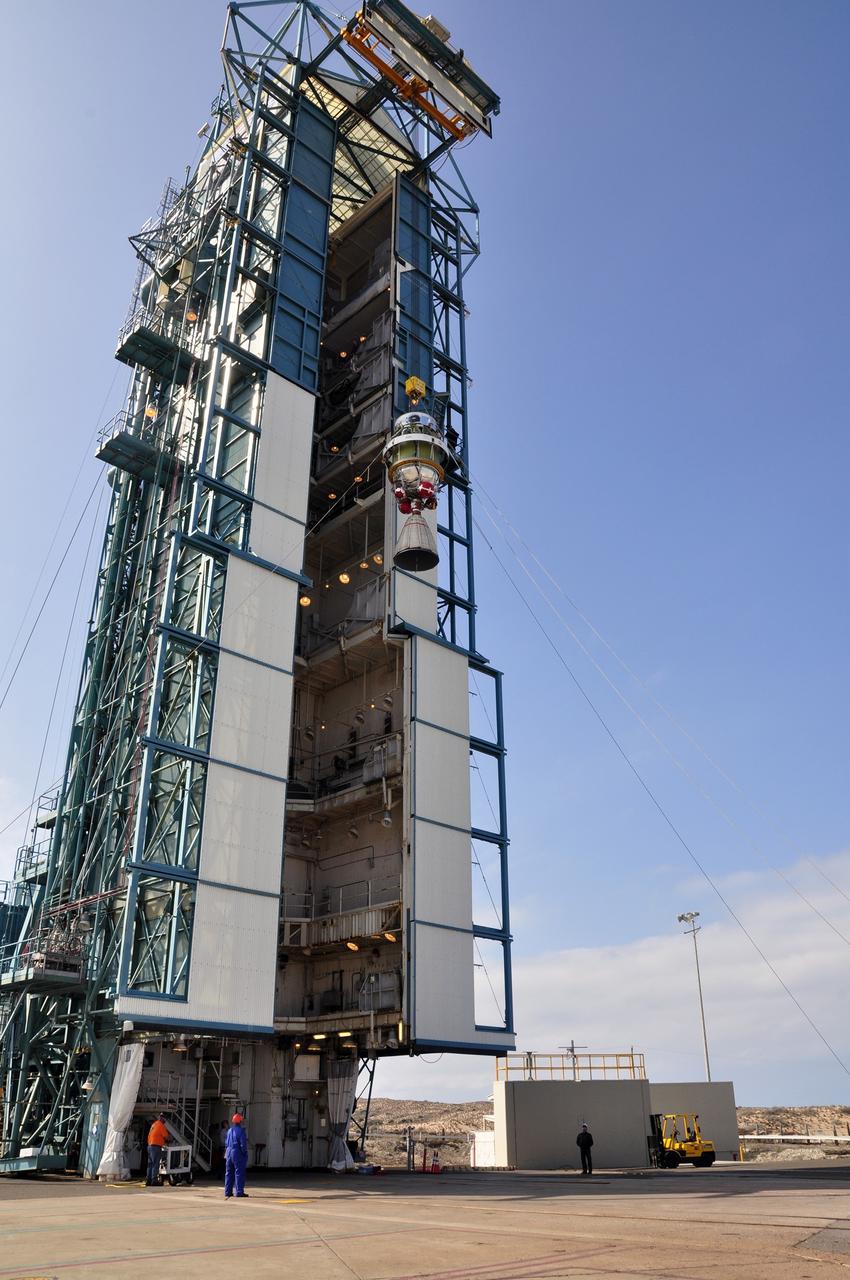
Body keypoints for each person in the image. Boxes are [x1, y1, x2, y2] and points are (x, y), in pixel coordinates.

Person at [224, 1112, 249, 1199]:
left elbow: (226, 1143)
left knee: (228, 1172)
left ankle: (228, 1192)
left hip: (228, 1151)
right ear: (240, 1121)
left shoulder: (229, 1131)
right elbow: (243, 1144)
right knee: (239, 1172)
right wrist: (244, 1153)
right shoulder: (241, 1131)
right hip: (237, 1152)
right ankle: (239, 1192)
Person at [146, 1113, 169, 1186]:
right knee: (155, 1163)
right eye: (165, 1119)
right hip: (155, 1146)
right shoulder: (161, 1125)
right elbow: (166, 1137)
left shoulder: (154, 1124)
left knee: (150, 1164)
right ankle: (154, 1181)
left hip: (149, 1146)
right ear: (163, 1119)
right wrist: (170, 1140)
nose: (165, 1121)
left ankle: (148, 1180)